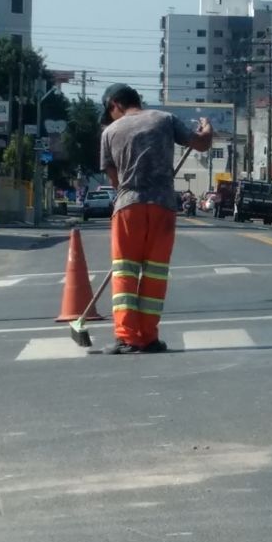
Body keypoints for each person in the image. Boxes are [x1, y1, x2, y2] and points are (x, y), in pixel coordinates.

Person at [98, 84, 214, 355]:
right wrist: (207, 127)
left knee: (125, 272)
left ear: (116, 104)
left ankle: (127, 337)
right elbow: (202, 143)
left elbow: (114, 180)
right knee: (154, 274)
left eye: (110, 110)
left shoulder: (110, 133)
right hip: (163, 206)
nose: (111, 116)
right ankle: (148, 338)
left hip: (129, 207)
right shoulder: (164, 119)